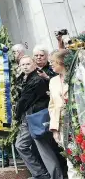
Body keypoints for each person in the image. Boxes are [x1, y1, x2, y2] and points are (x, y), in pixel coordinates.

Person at [15, 56, 63, 179]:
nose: (25, 66)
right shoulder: (24, 79)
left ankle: (55, 176)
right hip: (28, 117)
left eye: (28, 64)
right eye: (22, 64)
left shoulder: (37, 79)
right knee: (21, 145)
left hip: (36, 117)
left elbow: (24, 100)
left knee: (43, 148)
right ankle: (41, 174)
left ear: (34, 65)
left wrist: (16, 114)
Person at [49, 50, 79, 179]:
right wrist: (55, 129)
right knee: (71, 158)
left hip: (78, 122)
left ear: (61, 62)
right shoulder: (53, 81)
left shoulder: (77, 75)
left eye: (53, 62)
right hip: (63, 126)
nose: (51, 65)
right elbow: (52, 106)